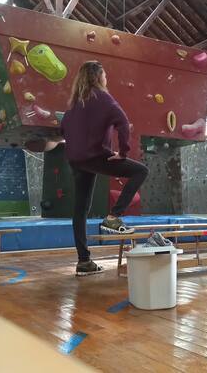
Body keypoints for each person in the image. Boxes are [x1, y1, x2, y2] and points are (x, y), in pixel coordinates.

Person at [55, 60, 149, 276]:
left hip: (77, 161)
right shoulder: (103, 97)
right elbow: (123, 122)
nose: (106, 79)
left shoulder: (74, 105)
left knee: (80, 210)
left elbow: (63, 129)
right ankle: (114, 216)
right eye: (105, 76)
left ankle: (84, 261)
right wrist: (123, 152)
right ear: (98, 77)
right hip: (96, 156)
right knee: (141, 171)